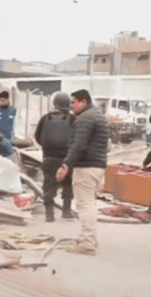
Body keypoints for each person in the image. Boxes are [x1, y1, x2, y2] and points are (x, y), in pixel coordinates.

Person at [56, 89, 109, 256]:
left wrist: (65, 165)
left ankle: (87, 243)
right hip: (97, 165)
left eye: (73, 102)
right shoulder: (98, 115)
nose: (71, 107)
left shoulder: (84, 119)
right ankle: (90, 239)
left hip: (87, 166)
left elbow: (78, 145)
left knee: (84, 205)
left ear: (83, 102)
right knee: (90, 203)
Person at [34, 92, 76, 222]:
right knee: (68, 183)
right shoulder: (72, 119)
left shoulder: (45, 118)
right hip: (66, 158)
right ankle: (66, 211)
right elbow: (77, 139)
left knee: (48, 184)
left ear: (54, 103)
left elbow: (37, 136)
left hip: (48, 157)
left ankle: (49, 214)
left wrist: (47, 148)